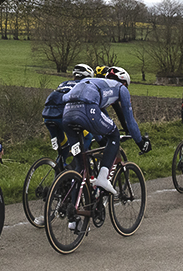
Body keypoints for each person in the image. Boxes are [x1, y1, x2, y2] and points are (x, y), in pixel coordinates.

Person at [62, 66, 150, 196]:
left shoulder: (97, 84)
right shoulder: (121, 88)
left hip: (67, 113)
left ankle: (71, 206)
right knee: (114, 135)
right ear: (124, 82)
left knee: (80, 167)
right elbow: (129, 122)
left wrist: (101, 139)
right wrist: (141, 142)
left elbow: (100, 122)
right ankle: (102, 178)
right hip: (87, 109)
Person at [44, 64, 96, 161]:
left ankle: (60, 170)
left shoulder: (63, 83)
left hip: (48, 116)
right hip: (63, 116)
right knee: (88, 137)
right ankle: (77, 166)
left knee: (63, 147)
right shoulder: (84, 86)